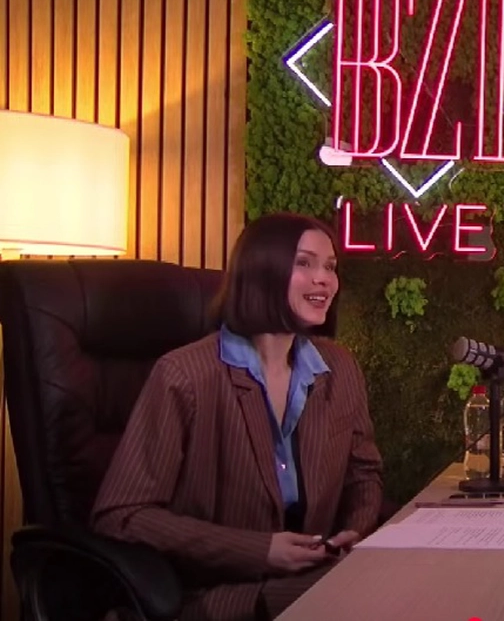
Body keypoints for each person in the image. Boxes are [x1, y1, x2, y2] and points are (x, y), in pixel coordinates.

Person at [91, 213, 384, 621]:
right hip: (214, 595)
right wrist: (258, 550)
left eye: (331, 267)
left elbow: (363, 474)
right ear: (262, 270)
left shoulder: (339, 367)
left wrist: (355, 531)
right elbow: (122, 515)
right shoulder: (184, 375)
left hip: (314, 576)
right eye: (304, 263)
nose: (325, 279)